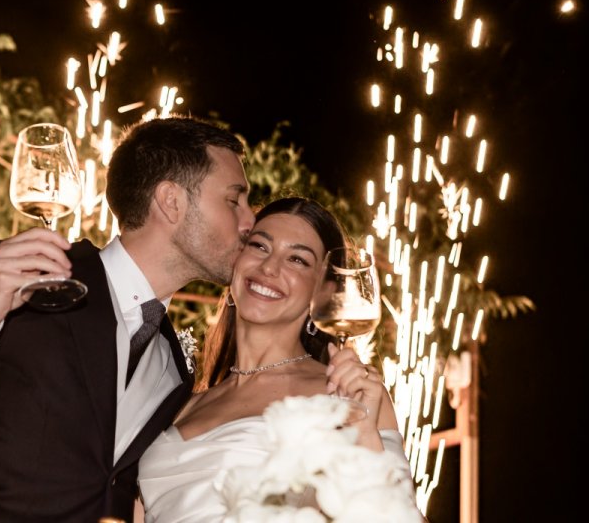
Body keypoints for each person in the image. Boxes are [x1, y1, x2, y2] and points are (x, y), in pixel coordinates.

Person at [0, 116, 255, 522]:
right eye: (234, 199)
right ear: (171, 202)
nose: (249, 220)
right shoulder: (19, 280)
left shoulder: (175, 367)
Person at [137, 197, 415, 521]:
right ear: (235, 264)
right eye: (259, 246)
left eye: (297, 259)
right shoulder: (181, 403)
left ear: (321, 291)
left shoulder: (345, 395)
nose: (270, 267)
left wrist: (366, 437)